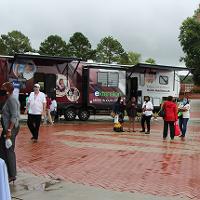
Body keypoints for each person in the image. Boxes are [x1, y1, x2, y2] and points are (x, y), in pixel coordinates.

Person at [0, 82, 20, 183]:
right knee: (2, 150)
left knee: (9, 151)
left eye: (3, 87)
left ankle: (12, 175)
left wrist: (8, 131)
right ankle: (5, 172)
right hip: (6, 128)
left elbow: (14, 116)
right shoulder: (7, 99)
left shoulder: (12, 99)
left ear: (8, 89)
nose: (1, 88)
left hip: (11, 128)